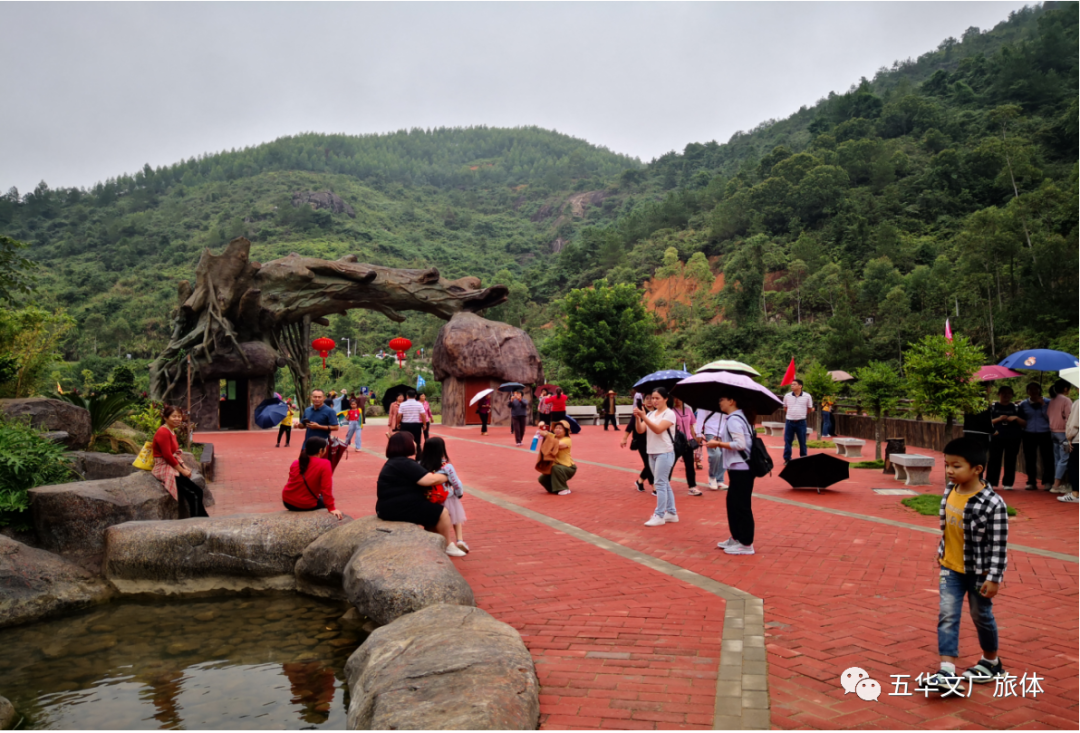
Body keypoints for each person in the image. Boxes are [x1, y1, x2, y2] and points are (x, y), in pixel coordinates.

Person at [923, 436, 1009, 694]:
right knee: (947, 614)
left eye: (956, 466)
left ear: (977, 469)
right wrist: (943, 553)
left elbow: (998, 545)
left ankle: (992, 662)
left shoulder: (993, 504)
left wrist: (994, 578)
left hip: (979, 573)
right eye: (947, 464)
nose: (949, 470)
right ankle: (947, 670)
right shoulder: (950, 490)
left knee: (981, 616)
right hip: (950, 568)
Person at [375, 432, 466, 557]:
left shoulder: (395, 462)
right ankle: (448, 545)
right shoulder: (405, 463)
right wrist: (447, 476)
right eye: (412, 441)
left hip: (389, 506)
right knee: (442, 513)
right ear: (405, 445)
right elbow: (430, 480)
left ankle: (434, 544)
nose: (415, 443)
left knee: (430, 513)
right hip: (399, 507)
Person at [708, 391, 757, 555]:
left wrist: (718, 444)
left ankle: (746, 543)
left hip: (742, 468)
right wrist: (720, 441)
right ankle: (737, 537)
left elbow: (740, 444)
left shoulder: (735, 419)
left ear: (731, 401)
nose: (719, 402)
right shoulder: (739, 417)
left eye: (721, 399)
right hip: (740, 467)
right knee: (733, 504)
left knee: (741, 506)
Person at [152, 405, 209, 518]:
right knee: (195, 493)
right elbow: (167, 456)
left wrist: (183, 466)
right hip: (165, 466)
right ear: (165, 417)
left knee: (196, 492)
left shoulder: (171, 430)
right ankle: (197, 520)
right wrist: (182, 471)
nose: (177, 419)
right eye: (174, 416)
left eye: (179, 416)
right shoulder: (163, 432)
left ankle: (202, 518)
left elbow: (173, 453)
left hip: (171, 464)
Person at [636, 387, 678, 526]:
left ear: (666, 399)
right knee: (664, 483)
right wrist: (638, 418)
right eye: (652, 398)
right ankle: (671, 513)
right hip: (652, 452)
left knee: (659, 483)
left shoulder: (669, 414)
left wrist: (643, 417)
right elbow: (641, 430)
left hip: (665, 452)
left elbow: (658, 429)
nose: (654, 401)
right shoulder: (651, 414)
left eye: (657, 398)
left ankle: (659, 515)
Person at [420, 437, 468, 552]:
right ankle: (460, 540)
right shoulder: (446, 466)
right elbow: (456, 482)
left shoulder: (420, 464)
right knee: (456, 518)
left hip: (429, 498)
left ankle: (433, 542)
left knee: (433, 522)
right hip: (447, 497)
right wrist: (459, 494)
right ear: (442, 449)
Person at [281, 436, 344, 519]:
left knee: (320, 498)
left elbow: (292, 481)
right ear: (321, 451)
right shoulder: (324, 464)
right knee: (322, 500)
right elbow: (326, 488)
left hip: (287, 501)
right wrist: (331, 508)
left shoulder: (296, 462)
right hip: (305, 504)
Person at [1016, 382, 1053, 490]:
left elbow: (1050, 418)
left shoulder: (1048, 403)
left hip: (1045, 433)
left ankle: (1048, 481)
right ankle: (1031, 481)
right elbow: (1022, 419)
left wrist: (1043, 406)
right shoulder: (1023, 404)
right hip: (1029, 433)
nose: (1033, 392)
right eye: (1031, 390)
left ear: (1039, 390)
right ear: (1027, 391)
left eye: (1036, 389)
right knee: (1030, 458)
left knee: (1047, 458)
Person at [986, 386, 1021, 491]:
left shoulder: (1016, 408)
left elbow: (1024, 423)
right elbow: (987, 422)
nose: (1006, 395)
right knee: (993, 460)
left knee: (1011, 460)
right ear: (999, 394)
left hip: (1013, 437)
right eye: (1004, 393)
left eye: (1009, 393)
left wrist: (1016, 418)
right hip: (996, 437)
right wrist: (999, 419)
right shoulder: (992, 407)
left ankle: (1008, 483)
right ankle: (991, 482)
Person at [621, 392, 654, 493]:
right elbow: (630, 425)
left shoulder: (657, 412)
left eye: (651, 398)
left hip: (653, 441)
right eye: (647, 398)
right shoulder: (639, 411)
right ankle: (654, 487)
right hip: (641, 441)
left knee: (651, 464)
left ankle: (640, 481)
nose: (649, 400)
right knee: (649, 464)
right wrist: (624, 438)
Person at [671, 397, 702, 496]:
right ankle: (663, 484)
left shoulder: (688, 410)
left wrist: (695, 437)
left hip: (688, 441)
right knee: (670, 464)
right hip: (677, 442)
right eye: (675, 398)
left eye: (679, 398)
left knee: (690, 465)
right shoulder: (671, 411)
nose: (677, 400)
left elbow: (692, 425)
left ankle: (692, 486)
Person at [536, 420, 576, 496]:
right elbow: (542, 430)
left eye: (560, 428)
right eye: (556, 428)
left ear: (566, 431)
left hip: (568, 467)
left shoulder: (567, 440)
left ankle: (563, 488)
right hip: (555, 467)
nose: (557, 430)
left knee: (556, 468)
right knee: (542, 479)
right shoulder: (553, 436)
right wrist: (541, 425)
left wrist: (546, 435)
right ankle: (556, 488)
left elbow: (556, 445)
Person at [1047, 380, 1073, 493]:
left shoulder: (1052, 400)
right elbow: (1070, 417)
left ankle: (1059, 484)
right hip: (1063, 432)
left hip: (1053, 432)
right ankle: (1056, 485)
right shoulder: (1066, 400)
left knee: (1057, 459)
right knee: (1064, 458)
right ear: (1066, 389)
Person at [696, 404, 727, 491]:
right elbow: (700, 417)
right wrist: (698, 433)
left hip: (724, 432)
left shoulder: (727, 401)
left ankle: (720, 479)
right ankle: (712, 476)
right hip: (711, 431)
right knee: (716, 454)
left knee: (724, 455)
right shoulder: (707, 401)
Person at [782, 379, 813, 464]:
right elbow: (785, 408)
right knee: (788, 441)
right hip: (789, 422)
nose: (792, 386)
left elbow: (809, 408)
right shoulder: (787, 396)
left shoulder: (807, 396)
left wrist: (801, 415)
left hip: (801, 422)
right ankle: (787, 459)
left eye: (794, 384)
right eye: (791, 384)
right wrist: (792, 414)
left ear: (800, 386)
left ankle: (803, 457)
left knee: (802, 441)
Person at [398, 389, 428, 459]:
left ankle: (403, 456)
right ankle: (418, 457)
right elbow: (423, 415)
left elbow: (399, 415)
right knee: (417, 441)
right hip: (416, 425)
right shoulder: (419, 404)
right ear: (415, 396)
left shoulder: (402, 404)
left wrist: (398, 423)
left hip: (405, 424)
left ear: (407, 396)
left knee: (403, 440)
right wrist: (424, 424)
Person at [1060, 399, 1079, 504]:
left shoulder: (1078, 403)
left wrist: (1069, 437)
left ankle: (1075, 494)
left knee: (1074, 466)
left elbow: (1074, 423)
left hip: (1078, 440)